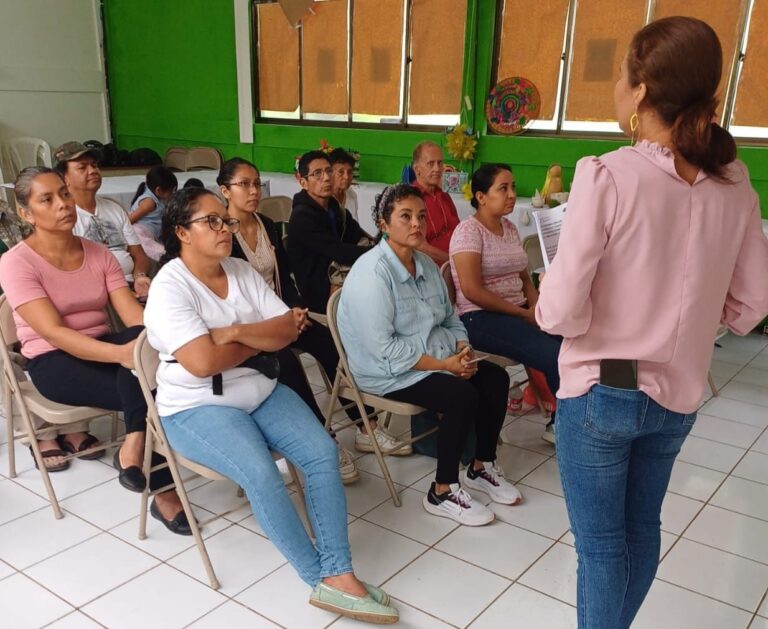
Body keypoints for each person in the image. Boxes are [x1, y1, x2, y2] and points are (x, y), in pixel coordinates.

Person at [535, 18, 768, 629]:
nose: (616, 88)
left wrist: (601, 312)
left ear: (639, 91)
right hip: (682, 390)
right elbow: (751, 305)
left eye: (619, 76)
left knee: (602, 547)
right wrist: (686, 316)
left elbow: (558, 311)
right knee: (641, 531)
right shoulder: (735, 182)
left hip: (605, 383)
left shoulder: (607, 173)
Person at [143, 187, 399, 624]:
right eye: (212, 221)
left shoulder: (240, 270)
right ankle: (320, 577)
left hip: (259, 387)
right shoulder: (171, 286)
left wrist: (229, 333)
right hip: (196, 405)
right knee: (261, 472)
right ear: (181, 232)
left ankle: (338, 570)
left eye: (227, 220)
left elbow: (286, 331)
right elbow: (202, 364)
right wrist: (250, 335)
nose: (225, 228)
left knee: (321, 453)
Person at [0, 167, 186, 534]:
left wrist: (165, 340)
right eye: (46, 200)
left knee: (149, 356)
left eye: (64, 195)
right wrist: (127, 356)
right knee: (155, 389)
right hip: (52, 361)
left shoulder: (99, 253)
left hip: (104, 345)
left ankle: (134, 444)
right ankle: (165, 493)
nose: (62, 205)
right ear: (25, 213)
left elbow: (132, 315)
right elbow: (53, 332)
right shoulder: (16, 262)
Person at [338, 184, 521, 526]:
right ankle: (443, 489)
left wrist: (462, 352)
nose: (416, 224)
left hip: (435, 358)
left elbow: (450, 318)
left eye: (421, 216)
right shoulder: (372, 274)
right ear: (382, 223)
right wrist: (444, 366)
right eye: (405, 216)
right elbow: (384, 349)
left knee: (495, 378)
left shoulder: (423, 264)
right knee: (460, 396)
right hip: (387, 371)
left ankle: (480, 467)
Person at [219, 157, 406, 482]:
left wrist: (295, 309)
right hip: (251, 326)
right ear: (225, 190)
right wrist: (277, 319)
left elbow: (284, 277)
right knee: (288, 367)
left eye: (256, 183)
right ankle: (324, 441)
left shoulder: (266, 224)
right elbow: (226, 294)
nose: (253, 191)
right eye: (244, 185)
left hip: (280, 312)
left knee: (330, 345)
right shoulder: (222, 234)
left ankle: (367, 426)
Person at [450, 163, 561, 443]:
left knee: (569, 339)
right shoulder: (468, 232)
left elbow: (524, 276)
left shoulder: (509, 227)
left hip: (517, 312)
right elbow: (472, 290)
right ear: (481, 196)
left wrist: (536, 307)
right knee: (555, 355)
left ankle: (564, 420)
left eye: (512, 187)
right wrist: (523, 314)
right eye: (503, 188)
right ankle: (565, 427)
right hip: (480, 318)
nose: (512, 194)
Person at [53, 141, 153, 298]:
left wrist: (139, 276)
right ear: (64, 178)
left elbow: (138, 254)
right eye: (82, 167)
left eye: (94, 165)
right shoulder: (63, 217)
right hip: (93, 292)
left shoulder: (114, 208)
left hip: (130, 286)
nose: (92, 171)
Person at [287, 150, 372, 314]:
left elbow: (356, 234)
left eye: (328, 171)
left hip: (339, 277)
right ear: (303, 182)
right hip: (317, 292)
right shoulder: (302, 217)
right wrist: (377, 252)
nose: (326, 178)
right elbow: (338, 251)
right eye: (317, 174)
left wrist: (381, 245)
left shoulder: (333, 207)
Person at [411, 141, 460, 266]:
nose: (437, 169)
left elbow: (458, 231)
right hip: (432, 268)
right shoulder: (411, 199)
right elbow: (419, 246)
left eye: (440, 163)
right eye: (431, 164)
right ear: (417, 170)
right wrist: (453, 263)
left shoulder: (443, 195)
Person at [128, 165, 178, 239]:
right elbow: (129, 220)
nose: (172, 194)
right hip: (141, 235)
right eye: (171, 192)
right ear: (158, 191)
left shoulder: (156, 196)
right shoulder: (149, 203)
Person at [329, 148, 359, 220]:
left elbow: (355, 227)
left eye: (349, 172)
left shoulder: (351, 195)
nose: (346, 177)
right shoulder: (323, 200)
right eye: (341, 172)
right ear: (330, 173)